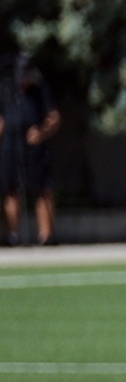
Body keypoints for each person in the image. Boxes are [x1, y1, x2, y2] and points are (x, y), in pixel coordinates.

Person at [1, 56, 61, 246]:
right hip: (11, 144)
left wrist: (41, 132)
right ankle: (12, 235)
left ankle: (46, 235)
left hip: (35, 145)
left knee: (42, 189)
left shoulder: (39, 91)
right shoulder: (6, 93)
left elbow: (53, 117)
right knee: (10, 189)